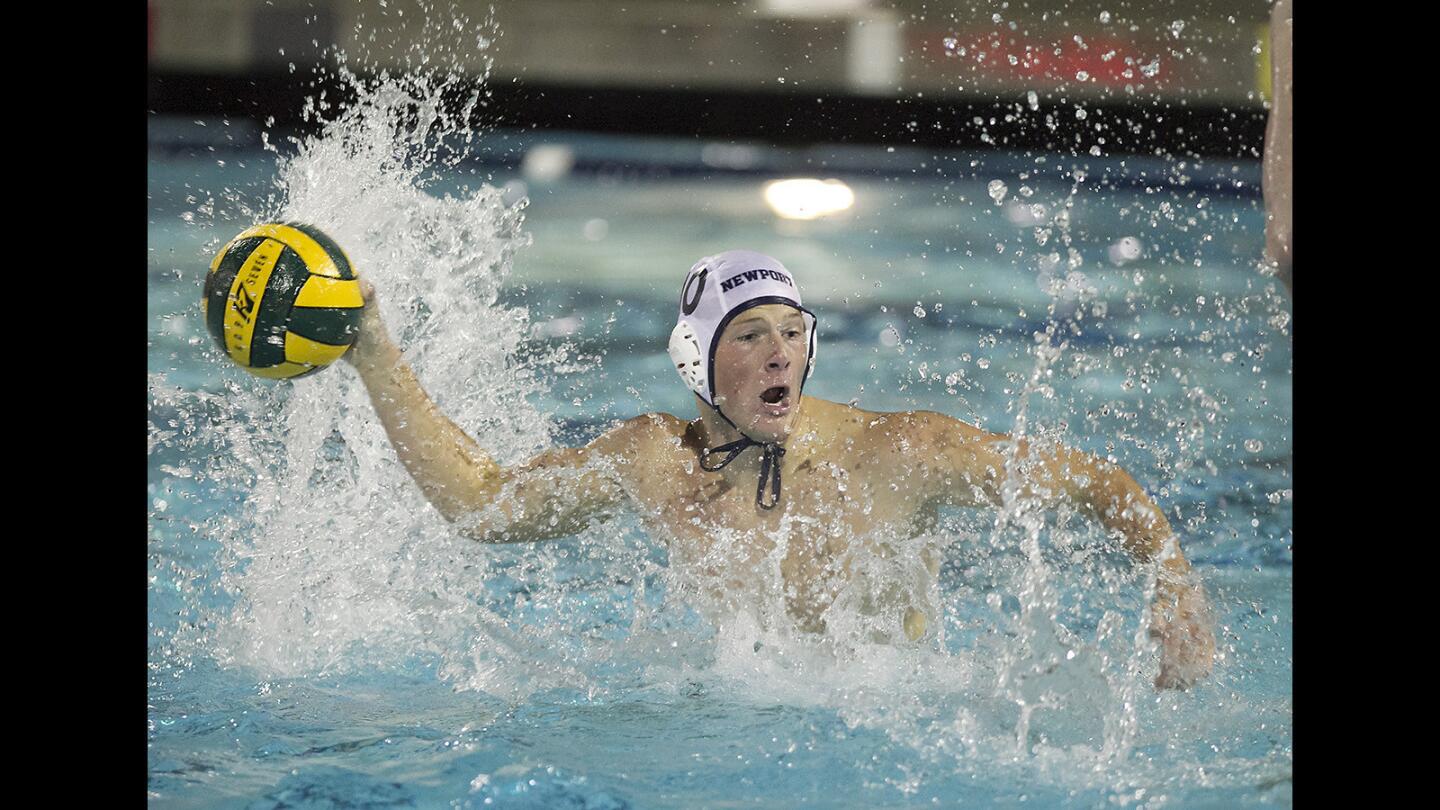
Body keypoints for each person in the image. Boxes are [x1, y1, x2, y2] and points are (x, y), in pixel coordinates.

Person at [345, 249, 1216, 689]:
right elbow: (486, 506)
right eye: (752, 337)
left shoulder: (900, 452)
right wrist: (373, 354)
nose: (780, 358)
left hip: (896, 718)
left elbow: (1095, 482)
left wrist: (1172, 584)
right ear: (695, 359)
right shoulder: (654, 461)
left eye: (792, 334)